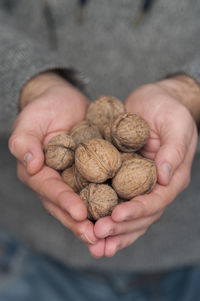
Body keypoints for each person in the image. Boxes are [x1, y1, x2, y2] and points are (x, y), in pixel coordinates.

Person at [0, 0, 200, 300]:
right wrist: (31, 83)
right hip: (27, 246)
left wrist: (189, 91)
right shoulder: (87, 150)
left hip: (189, 251)